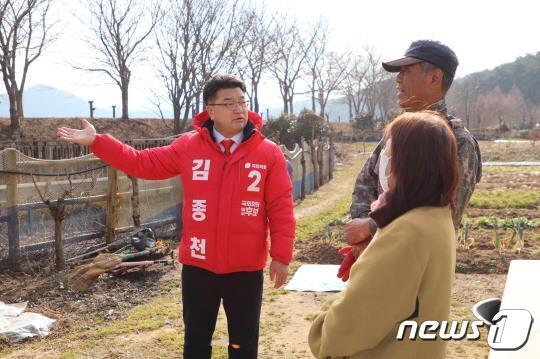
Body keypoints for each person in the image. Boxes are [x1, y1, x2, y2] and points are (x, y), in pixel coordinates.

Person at [57, 74, 295, 359]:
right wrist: (98, 141)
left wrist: (281, 256)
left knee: (243, 344)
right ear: (210, 110)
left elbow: (281, 207)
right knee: (196, 342)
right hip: (199, 264)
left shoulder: (267, 153)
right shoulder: (189, 147)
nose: (238, 109)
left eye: (242, 102)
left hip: (245, 268)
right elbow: (142, 162)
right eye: (229, 102)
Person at [309, 111, 460, 359]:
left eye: (389, 154)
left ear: (408, 164)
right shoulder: (437, 215)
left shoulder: (406, 232)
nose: (383, 164)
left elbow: (346, 330)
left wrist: (323, 322)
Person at [340, 40, 482, 278]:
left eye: (407, 71)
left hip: (416, 268)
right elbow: (366, 181)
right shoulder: (398, 132)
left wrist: (371, 227)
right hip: (375, 258)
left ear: (435, 78)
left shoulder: (457, 141)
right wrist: (362, 239)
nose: (398, 79)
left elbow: (442, 213)